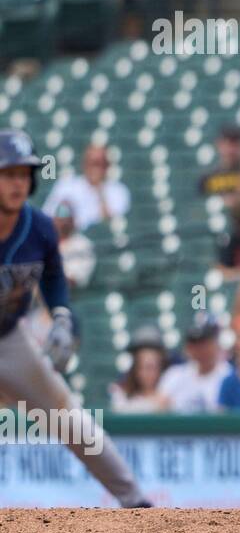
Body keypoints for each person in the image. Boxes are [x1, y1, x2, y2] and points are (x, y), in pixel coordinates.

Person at [0, 130, 151, 506]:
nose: (17, 182)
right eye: (8, 174)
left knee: (67, 415)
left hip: (9, 337)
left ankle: (136, 502)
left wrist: (62, 316)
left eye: (23, 174)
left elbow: (52, 276)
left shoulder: (40, 228)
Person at [42, 142, 130, 230]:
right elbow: (48, 215)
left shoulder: (119, 191)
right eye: (90, 162)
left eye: (98, 163)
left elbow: (113, 226)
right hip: (68, 238)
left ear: (106, 165)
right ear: (84, 163)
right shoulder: (66, 185)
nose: (94, 168)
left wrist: (100, 191)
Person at [158, 312, 232, 414]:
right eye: (195, 344)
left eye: (204, 343)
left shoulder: (228, 375)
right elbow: (160, 410)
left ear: (215, 343)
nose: (200, 350)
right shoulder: (174, 375)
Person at [109, 325, 170, 414]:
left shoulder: (170, 392)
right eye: (141, 366)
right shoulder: (121, 395)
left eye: (152, 366)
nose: (147, 373)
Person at [51, 201, 95, 288]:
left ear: (73, 220)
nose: (63, 223)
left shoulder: (83, 244)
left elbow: (72, 280)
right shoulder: (44, 242)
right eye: (59, 218)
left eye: (66, 218)